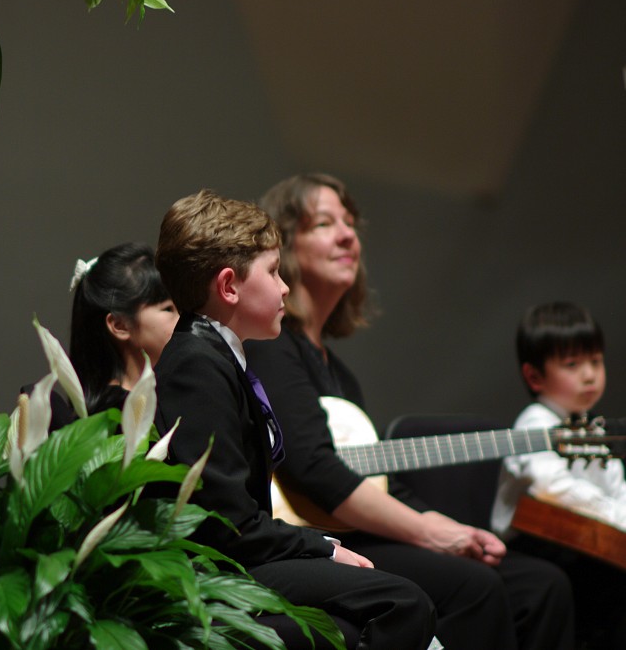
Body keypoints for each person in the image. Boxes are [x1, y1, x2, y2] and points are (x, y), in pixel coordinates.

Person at [245, 173, 573, 650]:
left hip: (359, 527)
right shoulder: (275, 349)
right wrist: (430, 532)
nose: (347, 234)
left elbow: (378, 478)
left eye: (351, 223)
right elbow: (314, 468)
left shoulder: (337, 372)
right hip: (319, 539)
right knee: (472, 588)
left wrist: (452, 528)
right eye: (324, 223)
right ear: (285, 246)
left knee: (542, 585)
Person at [152, 189, 436, 650]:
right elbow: (227, 522)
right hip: (223, 569)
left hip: (245, 558)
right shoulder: (196, 364)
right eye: (273, 272)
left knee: (386, 598)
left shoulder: (215, 354)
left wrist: (318, 548)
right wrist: (321, 547)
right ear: (229, 287)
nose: (285, 287)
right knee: (399, 601)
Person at [492, 301, 626, 649]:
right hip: (535, 545)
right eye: (572, 364)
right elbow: (549, 486)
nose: (589, 374)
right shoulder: (535, 422)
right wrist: (613, 517)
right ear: (534, 376)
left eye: (595, 361)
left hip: (591, 539)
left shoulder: (593, 427)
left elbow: (617, 484)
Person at [67, 242, 179, 415]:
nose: (183, 318)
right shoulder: (112, 416)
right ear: (119, 325)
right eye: (168, 308)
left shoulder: (170, 392)